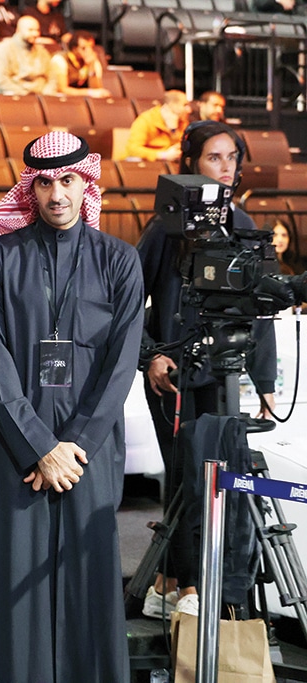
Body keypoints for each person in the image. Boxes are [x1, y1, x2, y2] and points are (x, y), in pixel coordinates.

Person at [0, 131, 143, 682]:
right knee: (12, 580)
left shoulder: (120, 260)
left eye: (68, 180)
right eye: (44, 182)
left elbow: (122, 365)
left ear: (85, 182)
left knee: (89, 578)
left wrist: (74, 448)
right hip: (17, 447)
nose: (56, 193)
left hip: (90, 451)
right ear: (30, 188)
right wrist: (41, 449)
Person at [137, 120, 277, 619]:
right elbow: (130, 301)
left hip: (225, 376)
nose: (223, 166)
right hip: (172, 374)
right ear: (192, 163)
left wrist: (264, 382)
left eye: (230, 158)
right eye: (213, 157)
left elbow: (259, 309)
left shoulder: (242, 225)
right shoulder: (164, 228)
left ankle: (186, 582)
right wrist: (150, 354)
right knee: (184, 479)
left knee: (217, 478)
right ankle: (179, 583)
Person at [0, 16, 54, 96]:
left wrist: (47, 93)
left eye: (37, 30)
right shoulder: (3, 49)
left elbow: (52, 77)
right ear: (18, 30)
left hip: (40, 95)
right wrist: (24, 94)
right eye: (30, 30)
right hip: (13, 95)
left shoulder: (42, 52)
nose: (35, 34)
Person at [125, 90, 190, 162]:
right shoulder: (146, 120)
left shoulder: (182, 121)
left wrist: (173, 130)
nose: (189, 110)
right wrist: (163, 155)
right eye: (185, 105)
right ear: (172, 104)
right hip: (149, 162)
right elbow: (132, 149)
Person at [48, 30, 112, 98]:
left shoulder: (93, 62)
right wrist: (89, 92)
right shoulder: (60, 60)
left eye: (91, 47)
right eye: (84, 48)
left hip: (79, 99)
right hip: (56, 98)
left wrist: (91, 67)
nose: (88, 51)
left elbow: (96, 90)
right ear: (74, 48)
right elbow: (62, 89)